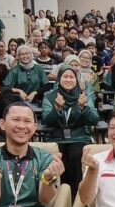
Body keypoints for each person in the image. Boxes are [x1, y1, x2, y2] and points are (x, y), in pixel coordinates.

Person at [41, 67, 99, 196]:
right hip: (56, 137)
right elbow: (46, 120)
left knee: (76, 155)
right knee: (58, 157)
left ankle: (76, 196)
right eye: (65, 77)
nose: (68, 79)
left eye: (71, 77)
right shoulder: (50, 97)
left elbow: (95, 119)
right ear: (59, 79)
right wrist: (57, 108)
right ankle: (58, 197)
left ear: (76, 80)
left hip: (78, 137)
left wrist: (84, 107)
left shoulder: (83, 96)